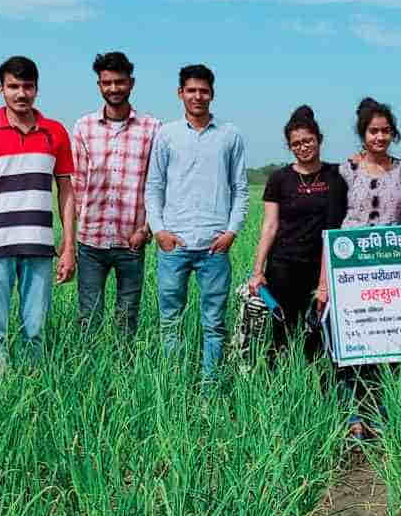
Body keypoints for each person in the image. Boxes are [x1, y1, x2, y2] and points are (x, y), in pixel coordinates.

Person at [0, 56, 76, 382]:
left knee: (34, 330)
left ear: (36, 89)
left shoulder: (56, 133)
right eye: (13, 87)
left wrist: (68, 248)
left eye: (27, 86)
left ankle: (31, 397)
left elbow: (66, 193)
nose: (21, 93)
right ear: (1, 89)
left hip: (39, 250)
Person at [319, 97, 401, 440]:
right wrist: (324, 281)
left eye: (386, 131)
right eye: (374, 131)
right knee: (348, 347)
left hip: (388, 270)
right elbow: (331, 226)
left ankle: (381, 414)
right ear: (363, 134)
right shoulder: (344, 171)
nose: (380, 137)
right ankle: (351, 416)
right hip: (348, 270)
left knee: (386, 345)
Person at [146, 64, 248, 383]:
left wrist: (232, 232)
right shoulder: (167, 134)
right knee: (169, 320)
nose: (197, 96)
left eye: (203, 90)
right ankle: (173, 383)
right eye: (191, 90)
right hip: (174, 244)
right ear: (180, 93)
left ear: (212, 94)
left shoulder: (230, 136)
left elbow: (240, 188)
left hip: (213, 247)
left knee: (214, 322)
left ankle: (209, 387)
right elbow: (154, 186)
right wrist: (158, 230)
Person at [71, 51, 160, 342]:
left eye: (119, 82)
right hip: (90, 240)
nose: (113, 89)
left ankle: (123, 374)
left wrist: (145, 230)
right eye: (107, 83)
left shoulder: (152, 129)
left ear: (131, 83)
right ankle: (87, 374)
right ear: (99, 85)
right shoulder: (84, 127)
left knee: (127, 316)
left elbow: (157, 184)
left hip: (131, 241)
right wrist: (72, 235)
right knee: (88, 315)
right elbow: (77, 184)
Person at [247, 105, 347, 355]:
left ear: (319, 140)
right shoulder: (280, 179)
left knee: (318, 331)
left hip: (321, 265)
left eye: (308, 141)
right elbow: (270, 225)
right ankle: (280, 382)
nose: (303, 147)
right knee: (282, 328)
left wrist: (325, 282)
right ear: (290, 146)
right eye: (296, 144)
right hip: (284, 264)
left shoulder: (336, 175)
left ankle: (316, 381)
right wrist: (258, 271)